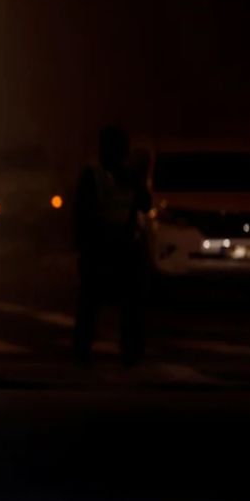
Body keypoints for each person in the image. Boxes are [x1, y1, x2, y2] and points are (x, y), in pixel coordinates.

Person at [73, 125, 151, 367]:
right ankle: (119, 350)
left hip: (112, 248)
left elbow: (145, 204)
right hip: (107, 248)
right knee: (100, 303)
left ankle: (121, 349)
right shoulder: (96, 175)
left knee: (100, 303)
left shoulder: (103, 175)